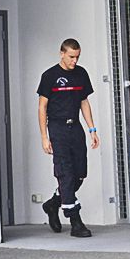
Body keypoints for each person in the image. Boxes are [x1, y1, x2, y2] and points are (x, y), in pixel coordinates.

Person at [37, 38, 98, 237]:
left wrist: (92, 129)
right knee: (65, 174)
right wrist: (44, 137)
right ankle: (75, 220)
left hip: (76, 128)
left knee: (79, 174)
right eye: (71, 57)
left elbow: (84, 102)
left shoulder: (81, 74)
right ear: (61, 53)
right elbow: (42, 107)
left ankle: (52, 204)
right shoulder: (49, 76)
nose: (74, 61)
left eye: (77, 57)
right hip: (57, 128)